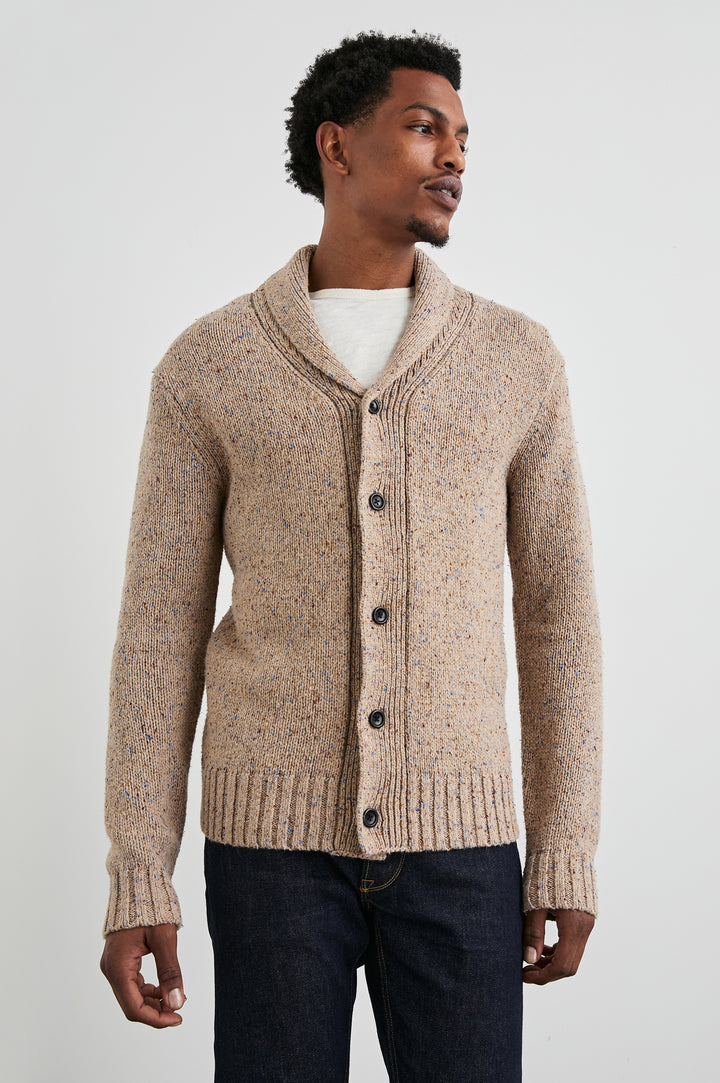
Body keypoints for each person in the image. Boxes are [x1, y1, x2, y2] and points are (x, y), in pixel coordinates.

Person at [99, 29, 602, 1082]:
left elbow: (558, 613)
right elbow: (158, 630)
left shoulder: (516, 359)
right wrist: (140, 871)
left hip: (464, 849)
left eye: (462, 138)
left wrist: (564, 848)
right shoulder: (210, 365)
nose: (453, 156)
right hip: (269, 859)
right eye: (423, 128)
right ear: (336, 146)